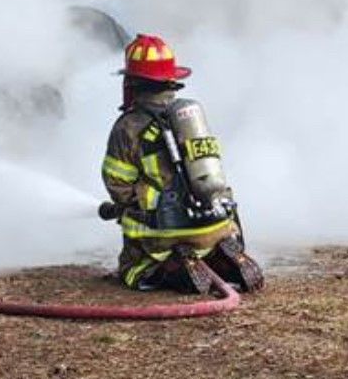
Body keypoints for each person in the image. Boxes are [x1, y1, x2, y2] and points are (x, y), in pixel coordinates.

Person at [100, 33, 264, 292]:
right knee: (207, 241)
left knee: (133, 270)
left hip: (165, 233)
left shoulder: (128, 127)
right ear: (172, 81)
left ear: (133, 82)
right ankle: (220, 257)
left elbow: (117, 185)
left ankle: (170, 268)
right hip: (217, 222)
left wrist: (126, 208)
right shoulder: (189, 117)